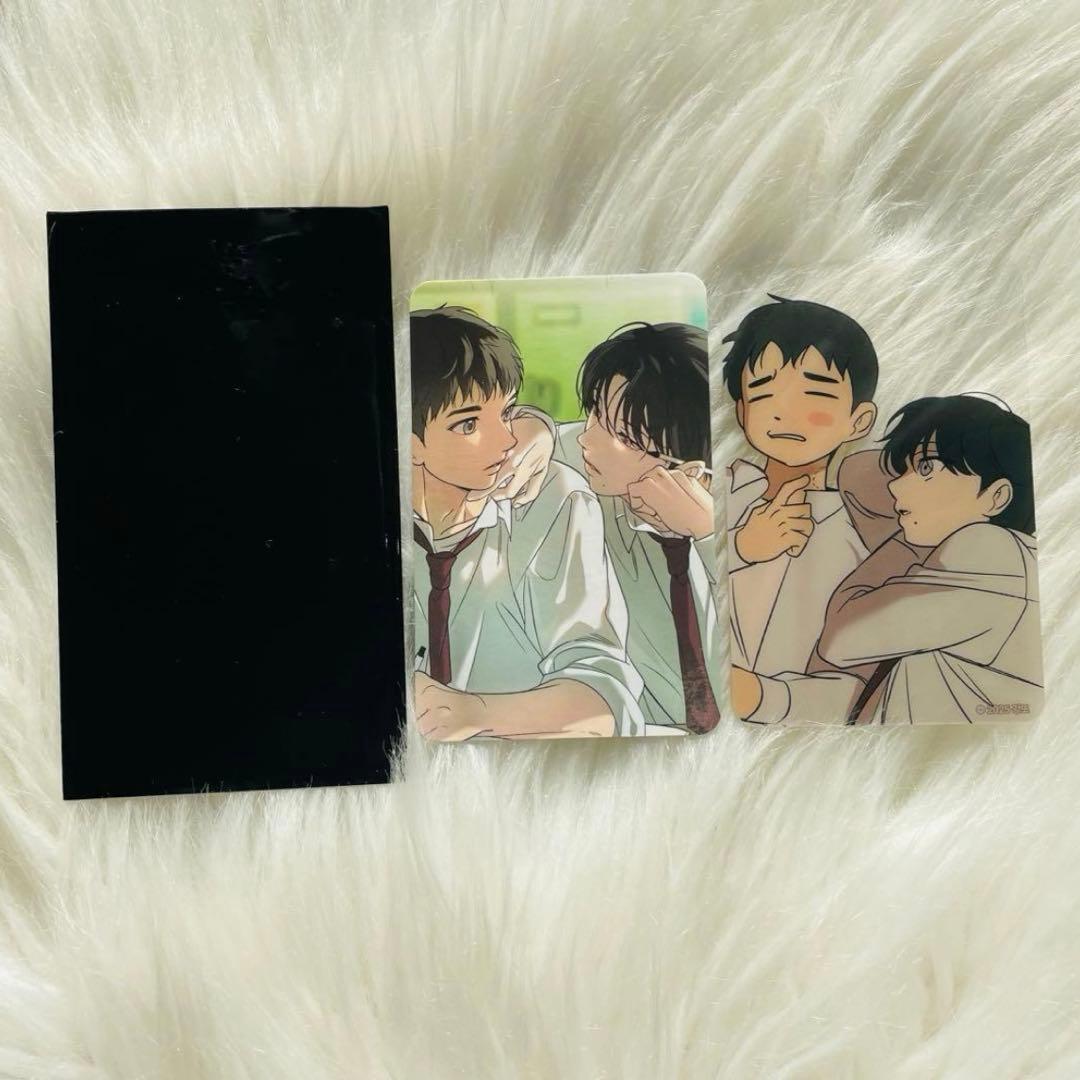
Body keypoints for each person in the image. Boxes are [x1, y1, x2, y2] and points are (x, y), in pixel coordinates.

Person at [408, 305, 645, 740]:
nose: (507, 439)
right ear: (410, 443)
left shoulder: (553, 498)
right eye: (468, 424)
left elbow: (605, 698)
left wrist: (472, 714)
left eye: (508, 412)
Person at [733, 395, 1043, 724]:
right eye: (904, 468)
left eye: (926, 467)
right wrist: (762, 696)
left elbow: (840, 640)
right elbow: (874, 693)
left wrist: (905, 540)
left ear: (996, 496)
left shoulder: (991, 549)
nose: (895, 485)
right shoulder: (961, 575)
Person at [511, 322, 722, 732]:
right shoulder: (593, 479)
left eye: (625, 437)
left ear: (691, 470)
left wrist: (707, 536)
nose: (589, 439)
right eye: (595, 412)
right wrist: (534, 427)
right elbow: (543, 439)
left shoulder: (738, 517)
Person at [722, 295, 879, 677]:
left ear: (858, 420)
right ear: (742, 411)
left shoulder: (853, 533)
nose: (784, 412)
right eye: (763, 391)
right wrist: (744, 549)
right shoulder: (724, 490)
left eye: (816, 393)